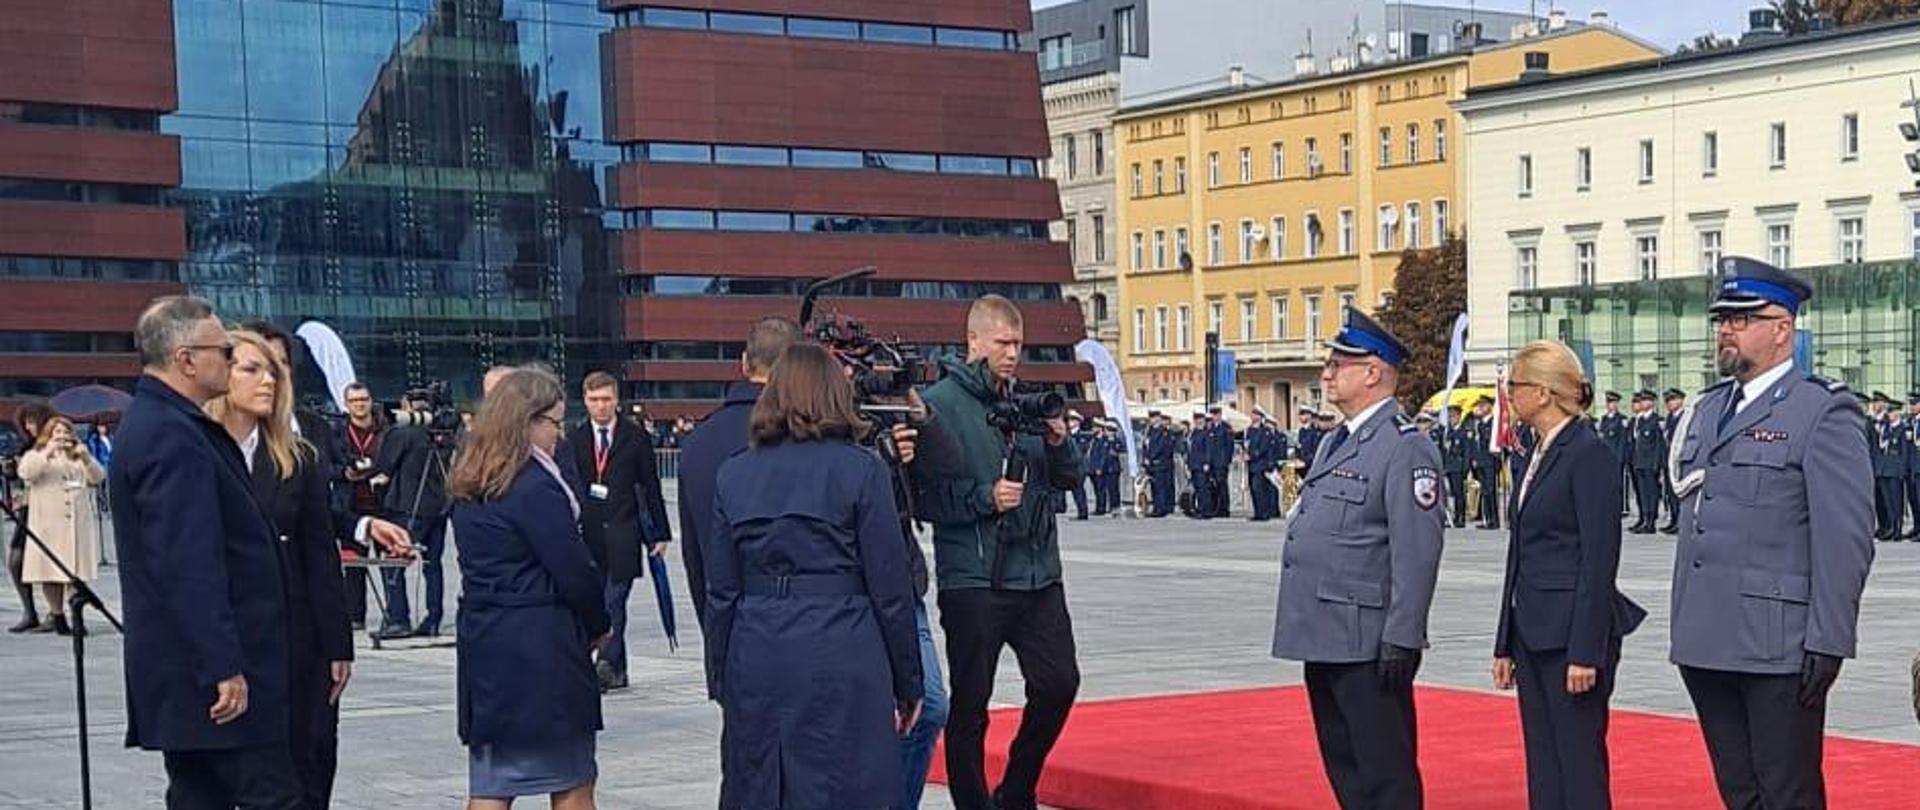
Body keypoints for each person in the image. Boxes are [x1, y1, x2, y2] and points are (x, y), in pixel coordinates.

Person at [1669, 257, 1874, 810]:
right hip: (1706, 639)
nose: (1725, 330)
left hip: (1776, 645)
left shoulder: (1822, 411)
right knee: (1739, 793)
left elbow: (1845, 537)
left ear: (1782, 328)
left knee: (1788, 794)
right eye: (1721, 320)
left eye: (1741, 319)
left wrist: (1828, 640)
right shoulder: (1709, 410)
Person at [704, 342, 924, 810]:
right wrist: (909, 681)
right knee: (846, 782)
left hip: (758, 645)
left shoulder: (734, 474)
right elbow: (891, 588)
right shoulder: (861, 471)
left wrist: (721, 672)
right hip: (842, 643)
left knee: (763, 781)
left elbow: (720, 591)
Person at [112, 295, 302, 809]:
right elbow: (186, 561)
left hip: (191, 673)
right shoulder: (170, 435)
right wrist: (222, 664)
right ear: (186, 360)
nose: (228, 356)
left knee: (202, 797)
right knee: (271, 795)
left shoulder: (166, 424)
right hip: (213, 678)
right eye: (221, 349)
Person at [1272, 308, 1444, 810]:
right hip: (1324, 632)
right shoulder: (1335, 440)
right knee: (1345, 768)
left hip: (1367, 641)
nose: (1327, 373)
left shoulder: (1403, 447)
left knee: (1383, 773)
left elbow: (1418, 552)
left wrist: (1403, 636)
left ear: (1373, 372)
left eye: (1338, 363)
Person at [918, 295, 1083, 810]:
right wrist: (984, 498)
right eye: (1003, 343)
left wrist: (1058, 441)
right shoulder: (938, 405)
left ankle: (1016, 790)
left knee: (1059, 683)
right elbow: (923, 498)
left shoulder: (1025, 401)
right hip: (974, 576)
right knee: (971, 706)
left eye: (1018, 343)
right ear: (974, 341)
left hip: (1037, 573)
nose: (1012, 353)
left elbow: (1068, 478)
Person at [1492, 342, 1647, 810]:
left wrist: (1586, 651)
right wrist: (1505, 639)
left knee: (1577, 762)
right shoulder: (1536, 453)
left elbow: (1599, 561)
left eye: (1515, 386)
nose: (1509, 395)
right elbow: (1519, 553)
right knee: (1543, 760)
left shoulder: (1588, 453)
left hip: (1571, 637)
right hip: (1532, 630)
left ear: (1543, 392)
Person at [449, 366, 611, 810]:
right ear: (527, 421)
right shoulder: (534, 485)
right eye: (554, 423)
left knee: (491, 784)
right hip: (542, 647)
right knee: (573, 781)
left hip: (487, 644)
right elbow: (573, 568)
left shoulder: (471, 477)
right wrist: (599, 624)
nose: (559, 436)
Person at [206, 330, 356, 809]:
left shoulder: (297, 458)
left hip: (297, 633)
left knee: (306, 761)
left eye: (274, 370)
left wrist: (337, 643)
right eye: (253, 369)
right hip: (227, 631)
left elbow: (320, 552)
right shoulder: (198, 453)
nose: (268, 380)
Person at [678, 316, 801, 637]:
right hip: (809, 629)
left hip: (731, 628)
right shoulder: (810, 434)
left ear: (744, 363)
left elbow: (695, 557)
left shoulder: (697, 442)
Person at [566, 371, 672, 692]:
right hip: (590, 536)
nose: (601, 406)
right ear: (585, 401)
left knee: (614, 602)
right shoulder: (576, 438)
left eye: (607, 400)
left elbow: (650, 484)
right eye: (595, 400)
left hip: (625, 532)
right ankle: (618, 666)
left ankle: (605, 665)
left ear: (617, 400)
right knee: (597, 601)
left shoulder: (634, 436)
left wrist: (661, 533)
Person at [373, 388, 454, 639]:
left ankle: (398, 618)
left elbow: (384, 467)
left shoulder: (402, 433)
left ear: (406, 404)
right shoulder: (443, 433)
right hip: (439, 507)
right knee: (433, 564)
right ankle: (433, 618)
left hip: (407, 505)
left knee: (393, 560)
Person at [18, 415, 107, 636]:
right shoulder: (36, 455)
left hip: (76, 523)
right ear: (48, 435)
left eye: (66, 432)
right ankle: (57, 615)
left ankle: (77, 615)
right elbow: (26, 473)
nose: (62, 437)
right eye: (57, 432)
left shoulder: (77, 458)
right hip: (49, 525)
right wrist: (47, 452)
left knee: (74, 573)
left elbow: (97, 478)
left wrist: (87, 458)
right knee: (51, 572)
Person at [337, 382, 388, 629]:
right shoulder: (337, 432)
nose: (360, 404)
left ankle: (396, 616)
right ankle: (355, 617)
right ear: (347, 405)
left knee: (389, 563)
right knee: (354, 566)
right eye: (355, 401)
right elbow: (324, 466)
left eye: (364, 399)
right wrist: (344, 473)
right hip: (351, 506)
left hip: (382, 505)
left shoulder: (385, 430)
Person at [7, 403, 53, 633]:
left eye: (32, 421)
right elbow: (19, 479)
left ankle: (56, 612)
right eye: (25, 422)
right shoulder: (26, 447)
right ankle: (29, 611)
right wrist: (10, 471)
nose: (28, 426)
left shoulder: (51, 445)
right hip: (27, 508)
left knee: (50, 563)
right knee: (16, 560)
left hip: (47, 508)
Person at [1626, 391, 1666, 535]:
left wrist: (1657, 464)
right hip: (1639, 462)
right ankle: (1644, 518)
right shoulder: (1640, 421)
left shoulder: (1656, 421)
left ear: (1652, 402)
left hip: (1650, 464)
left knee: (1651, 493)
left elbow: (1658, 445)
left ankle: (1651, 521)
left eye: (1645, 400)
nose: (1641, 403)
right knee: (1642, 493)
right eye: (1640, 400)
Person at [1871, 393, 1908, 541]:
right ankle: (1891, 527)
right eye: (1889, 412)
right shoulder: (1886, 428)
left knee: (1896, 501)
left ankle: (1898, 529)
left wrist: (1902, 471)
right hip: (1884, 469)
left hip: (1895, 470)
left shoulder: (1902, 429)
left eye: (1893, 412)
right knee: (1888, 502)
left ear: (1898, 413)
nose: (1890, 415)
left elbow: (1903, 453)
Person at [1467, 396, 1502, 530]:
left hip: (1490, 461)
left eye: (1483, 405)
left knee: (1491, 490)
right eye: (1479, 405)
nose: (1480, 408)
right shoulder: (1480, 424)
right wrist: (1475, 459)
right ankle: (1487, 519)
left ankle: (1494, 520)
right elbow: (1477, 444)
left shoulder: (1494, 423)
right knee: (1484, 491)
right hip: (1481, 461)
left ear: (1490, 406)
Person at [1596, 392, 1630, 518]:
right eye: (1610, 403)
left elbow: (1622, 440)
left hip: (1616, 456)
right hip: (1606, 457)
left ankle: (1622, 507)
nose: (1612, 405)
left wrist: (1620, 458)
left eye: (1614, 403)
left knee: (1619, 483)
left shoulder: (1621, 419)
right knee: (1607, 484)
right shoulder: (1604, 419)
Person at [1658, 389, 1687, 534]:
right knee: (1670, 493)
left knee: (1678, 493)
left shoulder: (1686, 416)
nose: (1669, 403)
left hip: (1679, 460)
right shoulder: (1669, 418)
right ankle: (1674, 520)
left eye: (1672, 400)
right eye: (1667, 401)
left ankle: (1681, 522)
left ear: (1681, 400)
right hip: (1668, 460)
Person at [1247, 407, 1282, 521]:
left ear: (1260, 417)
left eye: (1255, 414)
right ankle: (1257, 512)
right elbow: (1247, 444)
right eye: (1252, 414)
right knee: (1253, 488)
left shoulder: (1265, 431)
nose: (1252, 416)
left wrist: (1252, 455)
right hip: (1251, 464)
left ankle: (1264, 513)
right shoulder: (1249, 430)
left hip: (1261, 464)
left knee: (1260, 489)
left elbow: (1264, 447)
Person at [1441, 405, 1471, 528]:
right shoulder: (1448, 432)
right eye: (1450, 416)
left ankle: (1461, 517)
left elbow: (1467, 451)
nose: (1451, 419)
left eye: (1453, 416)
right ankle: (1454, 516)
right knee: (1452, 493)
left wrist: (1465, 467)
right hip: (1449, 466)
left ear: (1459, 417)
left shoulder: (1463, 432)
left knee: (1459, 494)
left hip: (1458, 467)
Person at [1142, 412, 1176, 517]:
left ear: (1158, 418)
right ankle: (1157, 507)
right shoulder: (1149, 431)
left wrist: (1151, 458)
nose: (1151, 420)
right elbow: (1145, 446)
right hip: (1151, 464)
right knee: (1154, 487)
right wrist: (1145, 459)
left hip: (1160, 463)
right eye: (1150, 418)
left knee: (1160, 487)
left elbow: (1161, 447)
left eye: (1153, 418)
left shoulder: (1163, 432)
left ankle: (1161, 508)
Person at [1186, 409, 1214, 519]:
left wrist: (1207, 462)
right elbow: (1190, 449)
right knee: (1198, 488)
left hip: (1202, 464)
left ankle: (1206, 510)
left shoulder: (1206, 433)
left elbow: (1208, 449)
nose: (1198, 421)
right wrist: (1188, 464)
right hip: (1194, 464)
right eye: (1196, 419)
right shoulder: (1193, 433)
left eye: (1200, 419)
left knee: (1203, 488)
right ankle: (1200, 508)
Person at [1086, 420, 1114, 517]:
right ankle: (1098, 507)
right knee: (1096, 490)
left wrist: (1100, 467)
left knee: (1101, 489)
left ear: (1100, 428)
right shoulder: (1093, 440)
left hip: (1099, 469)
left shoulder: (1104, 440)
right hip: (1092, 468)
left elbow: (1103, 455)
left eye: (1095, 427)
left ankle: (1101, 508)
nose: (1093, 429)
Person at [1905, 392, 1920, 541]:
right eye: (1911, 404)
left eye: (1915, 404)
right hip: (1911, 466)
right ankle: (1916, 527)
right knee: (1913, 499)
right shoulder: (1910, 421)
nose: (1912, 407)